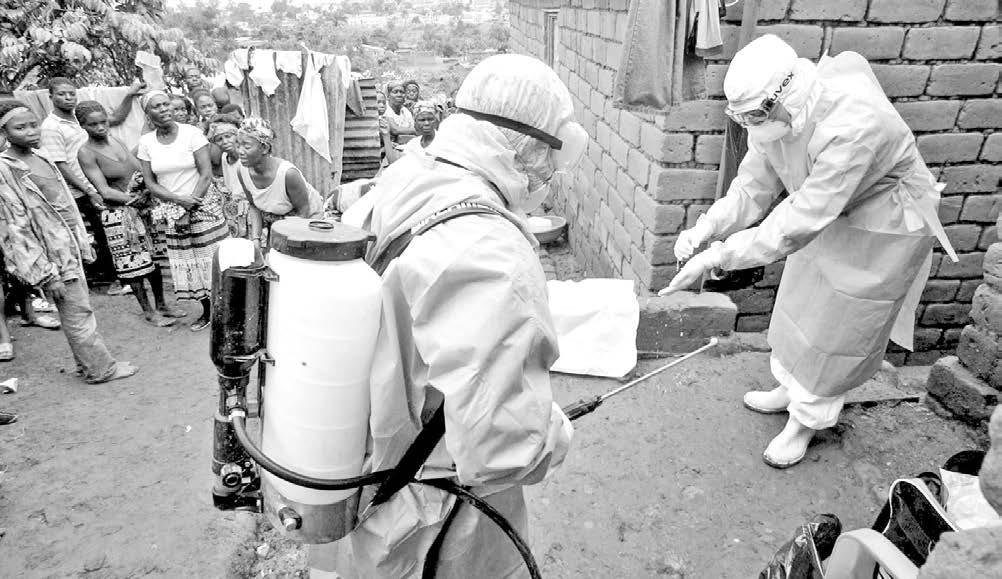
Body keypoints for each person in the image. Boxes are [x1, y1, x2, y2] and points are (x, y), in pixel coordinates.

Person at [326, 53, 586, 578]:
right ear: (530, 145)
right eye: (550, 157)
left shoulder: (409, 176)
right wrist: (554, 431)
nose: (548, 173)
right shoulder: (491, 250)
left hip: (372, 473)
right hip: (436, 512)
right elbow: (502, 448)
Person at [659, 35, 956, 468]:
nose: (751, 125)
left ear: (787, 96)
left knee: (840, 324)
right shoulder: (777, 120)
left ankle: (806, 421)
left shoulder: (854, 124)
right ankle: (788, 389)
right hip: (828, 211)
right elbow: (752, 188)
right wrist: (707, 227)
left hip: (882, 224)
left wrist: (718, 256)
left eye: (755, 115)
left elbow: (799, 220)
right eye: (743, 117)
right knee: (801, 300)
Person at [0, 100, 138, 383]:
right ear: (4, 132)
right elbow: (15, 227)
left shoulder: (41, 156)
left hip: (68, 244)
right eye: (20, 128)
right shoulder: (6, 169)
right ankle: (101, 370)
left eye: (33, 125)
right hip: (50, 254)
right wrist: (44, 272)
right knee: (77, 311)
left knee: (77, 307)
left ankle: (89, 363)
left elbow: (63, 204)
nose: (30, 131)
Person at [76, 101, 187, 327]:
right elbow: (105, 191)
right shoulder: (86, 153)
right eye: (93, 124)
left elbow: (138, 168)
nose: (100, 127)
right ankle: (148, 311)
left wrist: (150, 189)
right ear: (82, 126)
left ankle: (162, 305)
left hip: (141, 210)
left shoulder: (116, 141)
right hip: (118, 215)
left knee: (153, 260)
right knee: (132, 265)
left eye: (103, 122)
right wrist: (136, 199)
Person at [136, 91, 229, 332]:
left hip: (203, 205)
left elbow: (205, 174)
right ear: (147, 114)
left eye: (165, 104)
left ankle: (226, 311)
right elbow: (150, 183)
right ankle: (208, 311)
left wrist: (189, 206)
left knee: (212, 259)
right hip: (171, 209)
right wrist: (178, 203)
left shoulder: (191, 133)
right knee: (190, 263)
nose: (163, 109)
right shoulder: (146, 143)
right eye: (156, 106)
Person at [39, 77, 143, 289]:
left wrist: (130, 94)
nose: (68, 98)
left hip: (101, 183)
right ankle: (117, 279)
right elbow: (60, 164)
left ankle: (127, 276)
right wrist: (89, 190)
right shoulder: (51, 127)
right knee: (105, 232)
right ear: (51, 96)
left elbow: (115, 118)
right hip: (83, 189)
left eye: (71, 93)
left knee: (116, 229)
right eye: (61, 94)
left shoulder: (82, 118)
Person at [233, 117, 322, 246]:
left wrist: (287, 244)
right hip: (278, 221)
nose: (240, 151)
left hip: (308, 221)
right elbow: (254, 205)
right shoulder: (242, 171)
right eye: (238, 145)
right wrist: (256, 239)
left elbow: (303, 213)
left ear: (264, 148)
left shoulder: (288, 174)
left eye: (246, 146)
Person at [205, 115, 248, 238]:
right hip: (235, 209)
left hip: (249, 207)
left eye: (228, 136)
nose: (224, 142)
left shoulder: (246, 157)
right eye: (219, 139)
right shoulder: (225, 157)